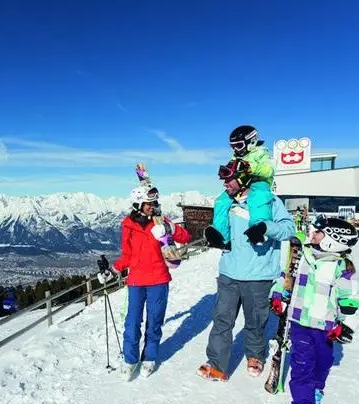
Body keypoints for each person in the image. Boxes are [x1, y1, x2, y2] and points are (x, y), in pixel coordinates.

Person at [199, 160, 295, 381]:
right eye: (223, 180)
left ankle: (255, 355)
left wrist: (266, 227)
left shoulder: (269, 202)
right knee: (222, 320)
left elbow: (290, 229)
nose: (225, 184)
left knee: (255, 320)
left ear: (242, 179)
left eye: (229, 179)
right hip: (229, 273)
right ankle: (216, 364)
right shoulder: (226, 204)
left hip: (258, 274)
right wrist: (215, 236)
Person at [269, 216, 359, 404]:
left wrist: (346, 323)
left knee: (323, 360)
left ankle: (317, 385)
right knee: (302, 362)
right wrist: (278, 296)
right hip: (299, 321)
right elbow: (286, 278)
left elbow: (350, 297)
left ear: (332, 240)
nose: (312, 234)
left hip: (326, 325)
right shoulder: (303, 256)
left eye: (318, 233)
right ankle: (303, 401)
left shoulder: (342, 266)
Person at [97, 183, 191, 378]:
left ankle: (149, 357)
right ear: (138, 204)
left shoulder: (160, 221)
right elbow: (127, 255)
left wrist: (169, 227)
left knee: (154, 321)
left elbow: (186, 236)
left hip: (158, 279)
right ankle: (130, 360)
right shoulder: (127, 225)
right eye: (148, 203)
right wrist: (113, 271)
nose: (152, 205)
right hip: (136, 281)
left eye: (154, 202)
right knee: (132, 322)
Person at [212, 125, 276, 246]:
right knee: (221, 201)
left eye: (239, 145)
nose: (236, 149)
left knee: (259, 197)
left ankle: (259, 230)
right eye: (233, 146)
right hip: (241, 184)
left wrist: (250, 167)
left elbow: (269, 170)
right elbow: (231, 168)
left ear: (251, 141)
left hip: (259, 182)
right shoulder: (237, 155)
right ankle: (221, 237)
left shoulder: (261, 153)